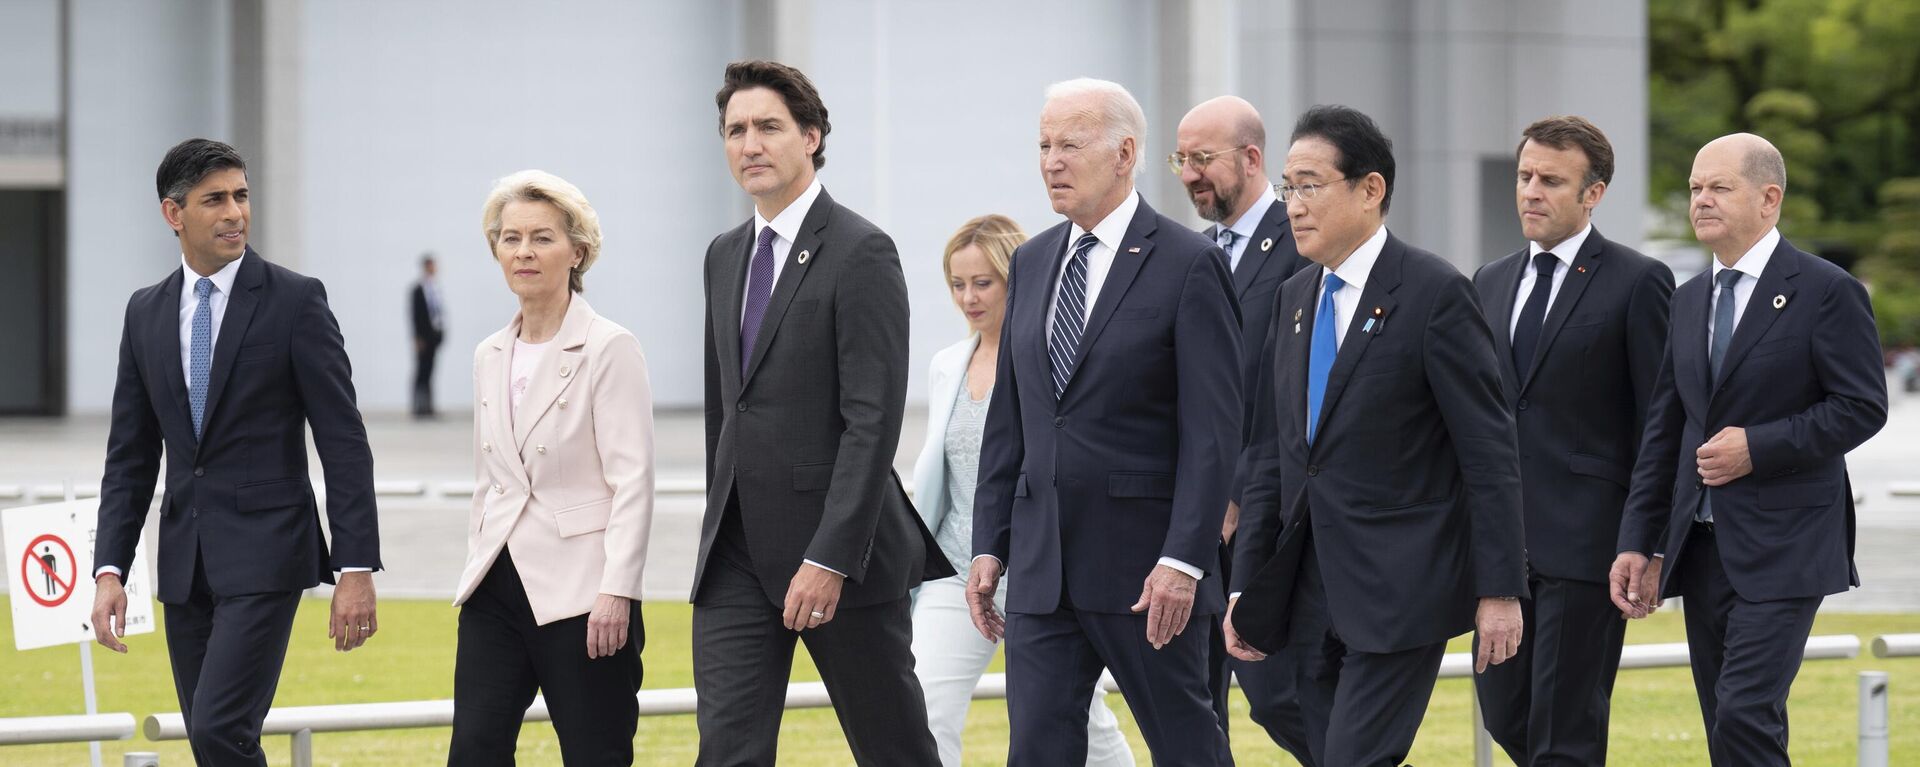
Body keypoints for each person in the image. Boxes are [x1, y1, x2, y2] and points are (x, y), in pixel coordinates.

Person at [1226, 105, 1528, 767]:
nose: (1293, 206)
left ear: (1370, 189)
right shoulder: (1294, 298)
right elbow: (1271, 454)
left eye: (1309, 186)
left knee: (1355, 756)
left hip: (1402, 581)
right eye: (1286, 188)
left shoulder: (1434, 292)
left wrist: (1501, 588)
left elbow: (1489, 450)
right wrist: (1245, 582)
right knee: (1277, 704)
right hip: (1304, 576)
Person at [969, 77, 1241, 767]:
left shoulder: (1190, 264)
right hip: (1042, 571)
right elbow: (1013, 419)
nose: (1050, 161)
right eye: (1043, 144)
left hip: (1148, 574)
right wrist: (988, 543)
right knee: (1036, 750)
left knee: (1187, 748)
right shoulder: (1031, 262)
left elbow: (1213, 434)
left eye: (1069, 144)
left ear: (1124, 153)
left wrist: (1184, 560)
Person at [690, 60, 949, 766]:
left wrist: (829, 556)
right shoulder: (722, 256)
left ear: (810, 137)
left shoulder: (862, 251)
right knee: (726, 752)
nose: (750, 144)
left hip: (843, 555)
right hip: (736, 554)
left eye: (768, 126)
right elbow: (729, 410)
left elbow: (873, 422)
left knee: (893, 748)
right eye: (736, 129)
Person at [90, 138, 381, 766]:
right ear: (174, 214)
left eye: (241, 196)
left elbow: (344, 443)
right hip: (184, 567)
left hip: (269, 553)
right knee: (211, 740)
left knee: (221, 728)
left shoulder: (297, 301)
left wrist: (356, 565)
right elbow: (131, 458)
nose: (235, 213)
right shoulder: (145, 312)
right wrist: (109, 569)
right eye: (215, 199)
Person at [1611, 133, 1888, 767]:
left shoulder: (1826, 290)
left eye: (1718, 187)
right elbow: (1663, 433)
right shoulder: (1687, 301)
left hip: (1788, 544)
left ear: (1769, 199)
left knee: (1744, 711)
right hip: (1703, 550)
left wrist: (1757, 448)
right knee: (1725, 724)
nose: (1700, 200)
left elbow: (1863, 407)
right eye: (1694, 189)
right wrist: (1639, 540)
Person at [1468, 115, 1674, 766]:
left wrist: (1646, 539)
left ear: (1594, 193)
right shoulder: (1489, 280)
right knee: (1506, 713)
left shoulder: (1638, 281)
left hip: (1590, 548)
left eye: (1551, 180)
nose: (1531, 190)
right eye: (1526, 176)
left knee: (1567, 729)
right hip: (1501, 549)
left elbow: (1658, 423)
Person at [908, 214, 1135, 767]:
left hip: (1042, 570)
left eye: (982, 282)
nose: (968, 297)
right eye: (957, 284)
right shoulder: (945, 367)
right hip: (956, 572)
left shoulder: (1056, 361)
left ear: (1018, 279)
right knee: (923, 708)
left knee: (1080, 717)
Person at [447, 170, 654, 765]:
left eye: (541, 238)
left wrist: (617, 591)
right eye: (510, 239)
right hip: (495, 584)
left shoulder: (610, 347)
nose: (523, 252)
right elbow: (491, 480)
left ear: (578, 251)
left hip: (583, 592)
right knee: (474, 752)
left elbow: (632, 481)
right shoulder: (489, 353)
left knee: (596, 753)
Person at [1173, 94, 1314, 764]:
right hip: (1190, 522)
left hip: (1268, 512)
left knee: (1274, 689)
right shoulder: (1191, 253)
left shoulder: (1301, 241)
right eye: (1181, 160)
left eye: (1202, 159)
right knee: (1195, 700)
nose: (1188, 174)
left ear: (1252, 159)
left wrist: (1236, 493)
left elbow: (1289, 390)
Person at [410, 253, 445, 418]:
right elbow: (415, 316)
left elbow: (437, 313)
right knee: (421, 372)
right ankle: (418, 407)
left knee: (430, 371)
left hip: (434, 337)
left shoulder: (435, 288)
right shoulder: (418, 289)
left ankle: (428, 407)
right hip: (423, 338)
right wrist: (417, 338)